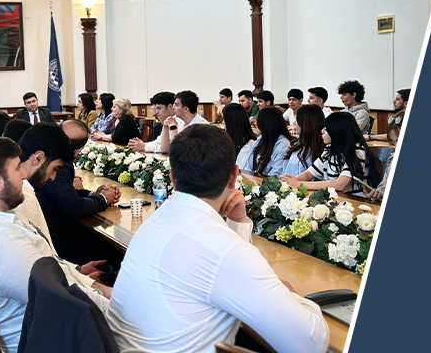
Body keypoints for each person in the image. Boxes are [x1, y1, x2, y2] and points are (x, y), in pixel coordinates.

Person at [108, 125, 329, 353]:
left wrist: (238, 222)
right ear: (234, 176)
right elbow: (311, 345)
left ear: (172, 177)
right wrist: (293, 296)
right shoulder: (223, 250)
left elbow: (225, 272)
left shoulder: (156, 221)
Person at [0, 136, 111, 353]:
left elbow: (51, 268)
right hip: (47, 342)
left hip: (45, 329)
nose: (24, 175)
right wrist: (116, 304)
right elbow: (73, 304)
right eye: (17, 168)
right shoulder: (1, 243)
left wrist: (91, 284)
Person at [37, 119, 122, 264]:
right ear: (78, 150)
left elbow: (66, 193)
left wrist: (93, 194)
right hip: (57, 237)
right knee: (112, 247)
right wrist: (103, 199)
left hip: (54, 226)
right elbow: (75, 208)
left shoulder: (51, 153)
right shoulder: (57, 163)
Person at [281, 112, 379, 193]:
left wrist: (298, 184)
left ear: (337, 132)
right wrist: (291, 180)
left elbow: (340, 184)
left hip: (354, 201)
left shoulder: (357, 150)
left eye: (326, 129)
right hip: (335, 199)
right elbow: (309, 174)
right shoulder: (329, 149)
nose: (322, 131)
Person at [12, 123, 74, 238]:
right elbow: (38, 248)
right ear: (38, 158)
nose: (53, 177)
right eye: (54, 168)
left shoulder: (15, 187)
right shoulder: (22, 196)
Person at [244, 107, 292, 176]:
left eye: (258, 120)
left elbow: (276, 174)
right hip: (254, 179)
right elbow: (248, 166)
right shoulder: (260, 139)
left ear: (266, 123)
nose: (255, 123)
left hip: (268, 181)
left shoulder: (283, 144)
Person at [156, 90, 209, 154]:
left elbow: (178, 150)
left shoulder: (201, 126)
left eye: (176, 105)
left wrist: (173, 128)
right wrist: (165, 127)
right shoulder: (178, 120)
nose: (173, 107)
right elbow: (165, 149)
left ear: (185, 109)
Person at [282, 104, 326, 177]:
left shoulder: (322, 151)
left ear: (305, 123)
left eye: (297, 120)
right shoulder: (297, 144)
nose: (295, 123)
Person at [365, 121, 400, 201]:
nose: (396, 146)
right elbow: (383, 185)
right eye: (394, 142)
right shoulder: (393, 159)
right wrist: (378, 193)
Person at [223, 103, 256, 170]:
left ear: (232, 122)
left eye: (225, 120)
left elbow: (240, 169)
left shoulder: (249, 145)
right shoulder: (229, 141)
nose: (223, 122)